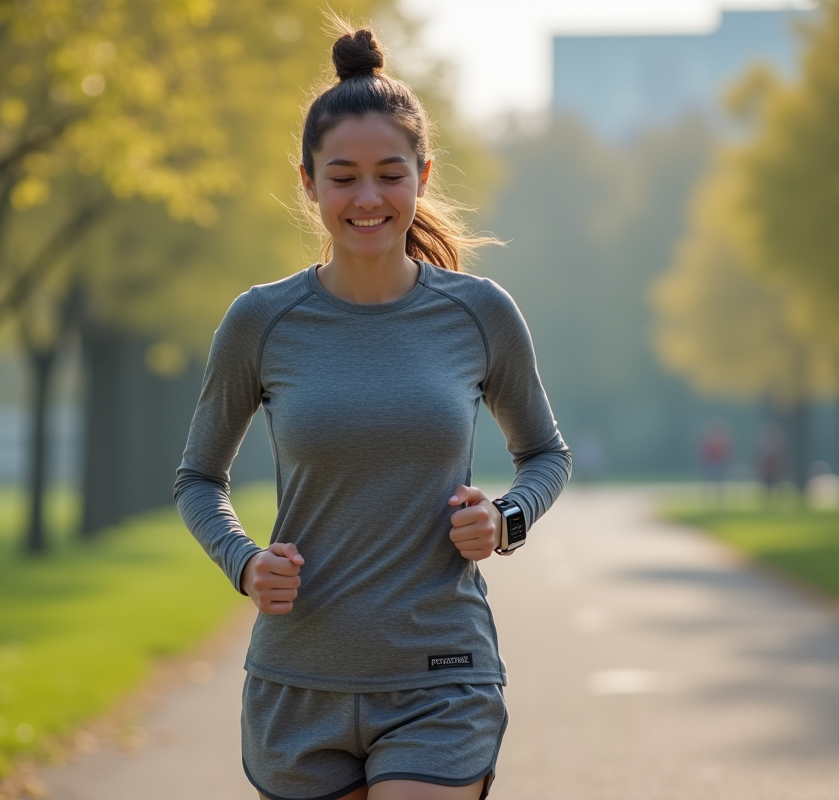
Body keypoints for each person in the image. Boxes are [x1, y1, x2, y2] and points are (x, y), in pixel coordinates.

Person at [174, 23, 571, 800]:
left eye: (390, 175)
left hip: (441, 676)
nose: (367, 198)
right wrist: (246, 563)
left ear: (422, 175)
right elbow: (198, 476)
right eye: (343, 177)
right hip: (300, 682)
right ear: (308, 183)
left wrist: (507, 520)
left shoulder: (479, 314)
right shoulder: (261, 322)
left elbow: (545, 456)